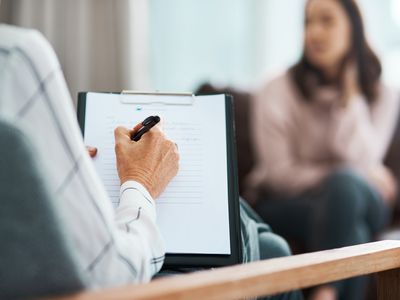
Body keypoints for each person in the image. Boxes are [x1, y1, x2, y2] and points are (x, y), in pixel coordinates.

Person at [0, 22, 302, 300]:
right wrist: (141, 180)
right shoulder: (15, 58)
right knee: (269, 246)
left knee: (264, 239)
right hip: (103, 282)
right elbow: (113, 274)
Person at [245, 0, 400, 300]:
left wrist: (350, 96)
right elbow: (279, 175)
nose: (314, 32)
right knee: (351, 223)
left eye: (326, 21)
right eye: (308, 22)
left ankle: (325, 291)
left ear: (353, 29)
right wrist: (344, 176)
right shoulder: (276, 89)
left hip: (361, 198)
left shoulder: (383, 93)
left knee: (345, 190)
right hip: (288, 202)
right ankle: (327, 292)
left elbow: (365, 157)